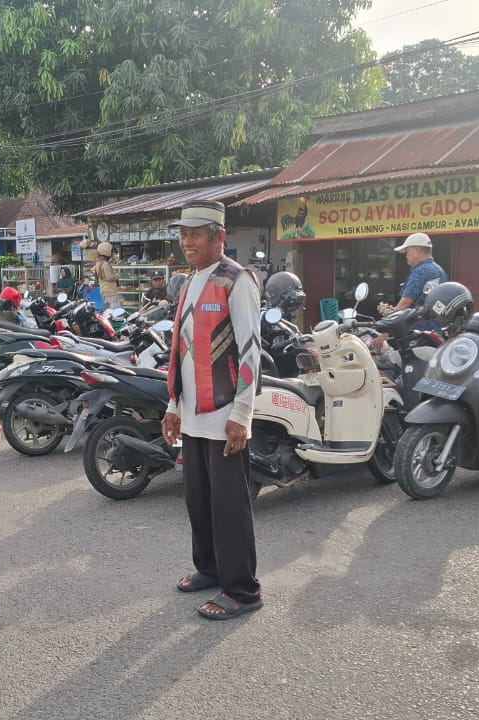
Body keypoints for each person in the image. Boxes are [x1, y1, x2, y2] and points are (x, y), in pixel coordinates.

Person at [160, 199, 264, 621]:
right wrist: (173, 405)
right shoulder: (190, 281)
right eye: (183, 234)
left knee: (229, 507)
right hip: (194, 413)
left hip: (225, 415)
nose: (187, 242)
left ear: (219, 236)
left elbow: (251, 350)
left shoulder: (237, 281)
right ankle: (210, 569)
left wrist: (242, 414)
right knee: (198, 500)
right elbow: (182, 351)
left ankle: (242, 589)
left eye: (196, 235)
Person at [372, 232, 448, 350]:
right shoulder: (439, 270)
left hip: (418, 335)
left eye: (408, 251)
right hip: (436, 333)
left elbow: (404, 304)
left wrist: (385, 331)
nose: (406, 255)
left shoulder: (420, 271)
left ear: (417, 250)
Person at [93, 241, 120, 310]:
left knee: (107, 308)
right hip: (110, 290)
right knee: (112, 309)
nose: (113, 254)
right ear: (107, 252)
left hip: (103, 289)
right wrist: (117, 276)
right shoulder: (105, 264)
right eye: (112, 252)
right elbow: (109, 277)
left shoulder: (98, 263)